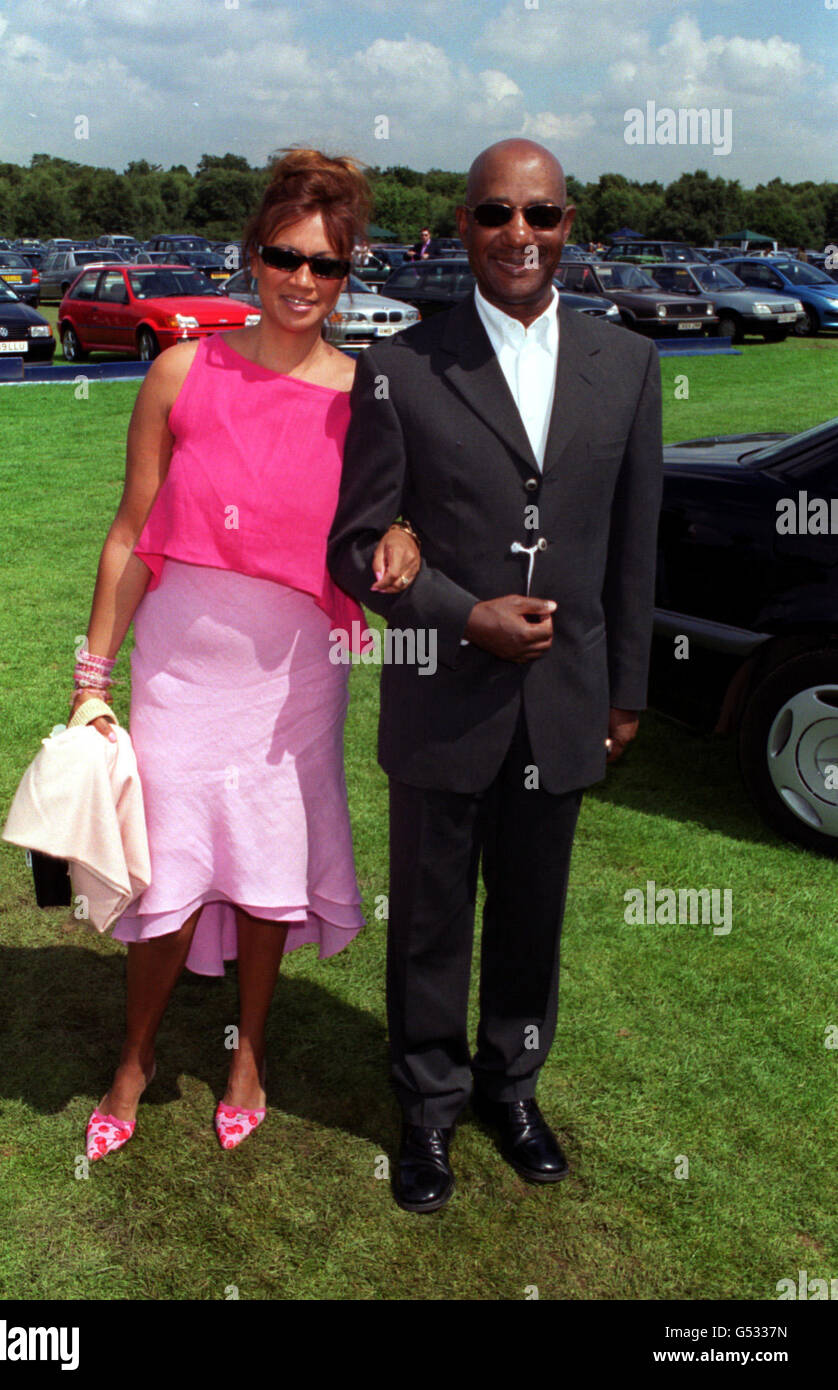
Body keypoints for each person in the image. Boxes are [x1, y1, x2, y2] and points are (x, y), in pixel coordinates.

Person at [328, 137, 663, 1213]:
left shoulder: (627, 364)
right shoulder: (399, 367)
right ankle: (426, 1106)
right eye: (494, 214)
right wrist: (455, 611)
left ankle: (509, 1087)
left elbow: (634, 545)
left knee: (531, 914)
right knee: (431, 915)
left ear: (569, 226)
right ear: (461, 226)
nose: (519, 234)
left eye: (541, 214)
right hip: (444, 697)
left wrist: (626, 690)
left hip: (563, 700)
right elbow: (354, 545)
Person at [73, 148, 420, 1162]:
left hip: (295, 678)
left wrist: (410, 538)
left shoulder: (369, 400)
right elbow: (132, 527)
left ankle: (247, 1054)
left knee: (270, 869)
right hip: (182, 669)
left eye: (327, 263)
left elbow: (402, 521)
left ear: (349, 272)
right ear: (251, 257)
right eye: (284, 256)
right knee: (168, 872)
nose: (303, 281)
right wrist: (92, 675)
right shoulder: (183, 369)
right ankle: (133, 1058)